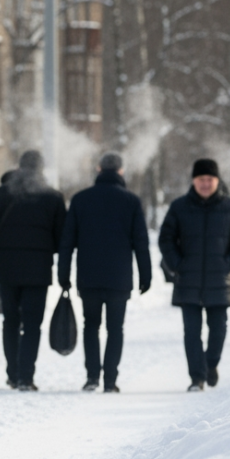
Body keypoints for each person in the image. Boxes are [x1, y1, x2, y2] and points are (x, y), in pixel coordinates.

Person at [57, 153, 152, 393]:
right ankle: (110, 380)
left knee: (91, 326)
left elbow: (67, 242)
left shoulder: (80, 200)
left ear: (98, 169)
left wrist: (63, 273)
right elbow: (141, 242)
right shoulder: (131, 201)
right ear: (121, 171)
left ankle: (92, 377)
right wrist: (145, 274)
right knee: (115, 328)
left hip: (88, 276)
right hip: (119, 278)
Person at [159, 158, 230, 392]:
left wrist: (229, 262)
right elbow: (166, 238)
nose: (205, 184)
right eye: (201, 179)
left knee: (218, 329)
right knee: (191, 331)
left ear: (217, 181)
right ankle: (196, 378)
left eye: (209, 179)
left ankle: (211, 363)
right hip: (187, 280)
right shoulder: (179, 207)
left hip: (218, 280)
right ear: (194, 181)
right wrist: (177, 263)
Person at [0, 151, 66, 391]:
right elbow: (62, 240)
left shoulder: (0, 194)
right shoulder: (53, 197)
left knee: (11, 321)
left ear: (19, 167)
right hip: (38, 271)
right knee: (32, 324)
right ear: (41, 169)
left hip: (7, 270)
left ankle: (13, 374)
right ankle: (26, 377)